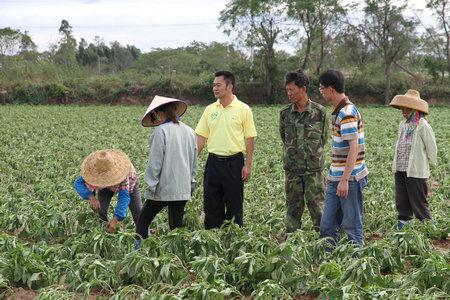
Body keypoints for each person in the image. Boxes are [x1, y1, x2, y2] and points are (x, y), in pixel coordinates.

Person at [195, 70, 257, 229]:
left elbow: (250, 138)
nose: (214, 88)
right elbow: (201, 137)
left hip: (234, 163)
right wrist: (191, 160)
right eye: (213, 85)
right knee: (211, 203)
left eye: (218, 85)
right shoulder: (210, 109)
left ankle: (233, 241)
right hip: (213, 162)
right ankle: (212, 241)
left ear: (229, 86)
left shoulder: (243, 109)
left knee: (234, 205)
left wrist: (248, 165)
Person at [135, 95, 197, 247]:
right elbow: (194, 161)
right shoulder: (190, 131)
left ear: (160, 113)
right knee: (176, 227)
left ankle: (140, 255)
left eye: (155, 115)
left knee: (142, 223)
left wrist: (151, 186)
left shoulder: (161, 131)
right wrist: (191, 183)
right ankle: (179, 258)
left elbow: (155, 163)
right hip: (182, 187)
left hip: (163, 187)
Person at [318, 70, 368, 247]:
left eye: (322, 88)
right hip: (336, 178)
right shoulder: (340, 111)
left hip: (350, 179)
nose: (321, 92)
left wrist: (345, 180)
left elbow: (354, 148)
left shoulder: (346, 113)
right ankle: (328, 263)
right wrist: (333, 174)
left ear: (331, 89)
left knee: (352, 225)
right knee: (327, 225)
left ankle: (357, 265)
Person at [280, 69, 328, 234]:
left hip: (313, 172)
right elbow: (284, 138)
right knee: (292, 211)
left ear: (303, 88)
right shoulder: (285, 114)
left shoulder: (320, 112)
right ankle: (291, 246)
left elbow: (324, 139)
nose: (289, 93)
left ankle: (324, 246)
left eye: (292, 89)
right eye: (287, 90)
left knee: (319, 210)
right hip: (292, 172)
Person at [389, 90, 437, 229]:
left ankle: (430, 231)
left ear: (414, 109)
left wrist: (429, 165)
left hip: (415, 171)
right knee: (402, 202)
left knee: (419, 203)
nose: (403, 111)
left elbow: (432, 148)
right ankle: (403, 232)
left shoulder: (422, 125)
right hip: (400, 169)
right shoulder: (402, 125)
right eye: (402, 108)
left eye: (407, 108)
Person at [74, 149, 142, 233]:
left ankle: (143, 236)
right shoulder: (94, 170)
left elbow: (124, 197)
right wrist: (91, 197)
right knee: (101, 209)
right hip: (106, 187)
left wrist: (115, 219)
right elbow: (78, 183)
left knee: (138, 212)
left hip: (129, 185)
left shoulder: (122, 174)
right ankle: (103, 230)